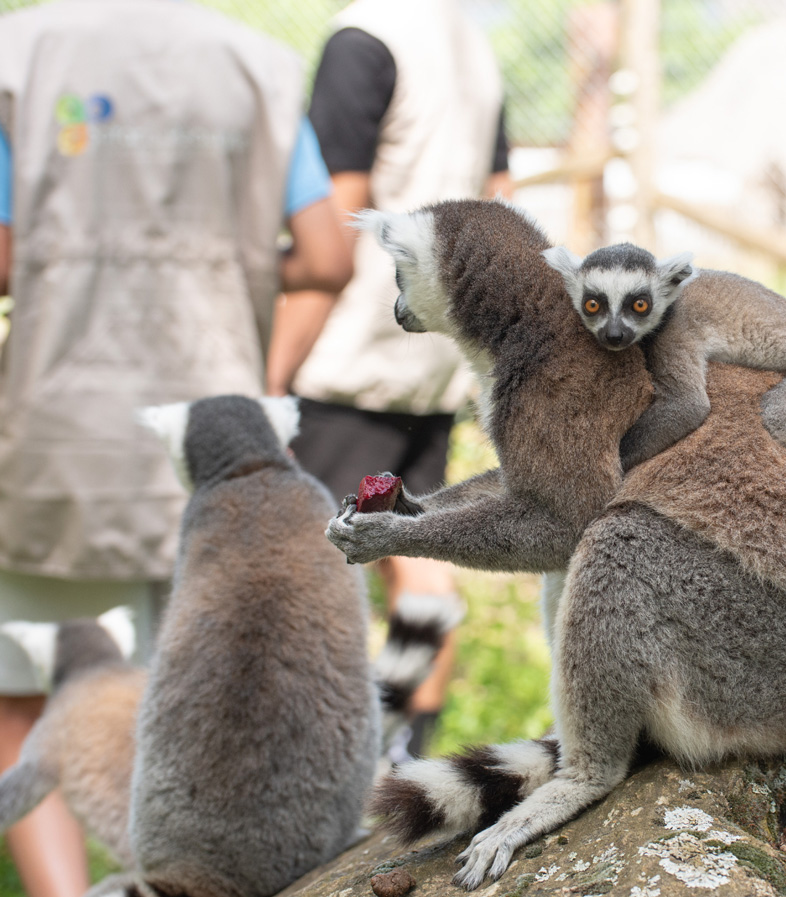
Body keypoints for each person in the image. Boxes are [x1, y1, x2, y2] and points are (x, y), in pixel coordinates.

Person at [0, 1, 352, 893]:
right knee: (197, 695)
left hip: (60, 432)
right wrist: (262, 378)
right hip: (219, 435)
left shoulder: (17, 54)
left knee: (26, 687)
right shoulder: (259, 67)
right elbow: (326, 255)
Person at [273, 0, 512, 759]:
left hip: (350, 351)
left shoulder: (363, 39)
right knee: (414, 538)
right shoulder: (473, 47)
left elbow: (337, 214)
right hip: (430, 347)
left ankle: (320, 755)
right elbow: (497, 197)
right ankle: (407, 745)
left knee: (311, 563)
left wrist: (273, 369)